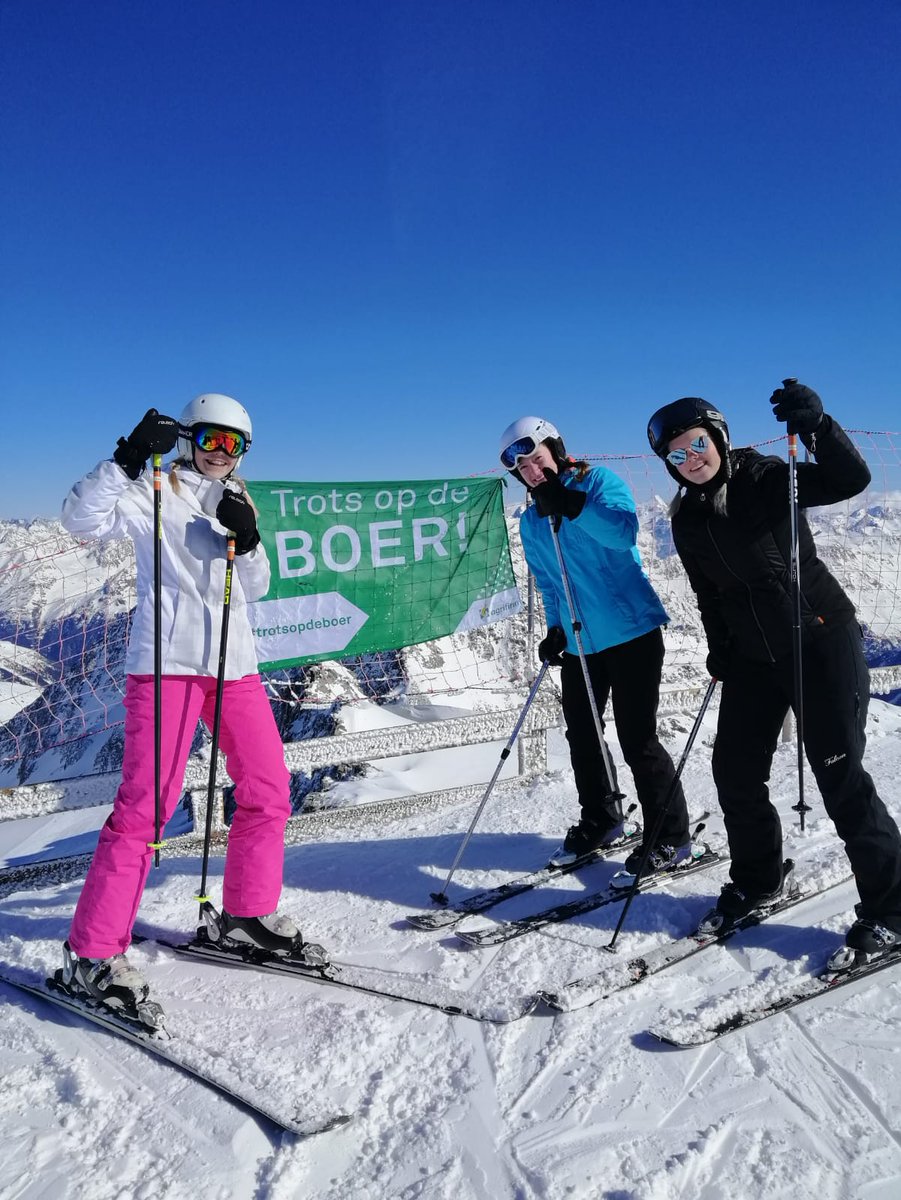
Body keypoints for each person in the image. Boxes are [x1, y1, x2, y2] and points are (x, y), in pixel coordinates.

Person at [59, 393, 315, 1015]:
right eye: (210, 439)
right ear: (188, 438)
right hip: (165, 668)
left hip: (236, 669)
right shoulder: (155, 491)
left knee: (268, 788)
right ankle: (92, 953)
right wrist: (126, 457)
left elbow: (254, 587)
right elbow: (80, 519)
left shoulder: (238, 500)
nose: (220, 453)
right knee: (146, 810)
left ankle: (246, 913)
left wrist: (247, 540)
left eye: (233, 444)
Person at [646, 381, 901, 970]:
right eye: (677, 456)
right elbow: (708, 594)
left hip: (817, 638)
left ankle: (890, 908)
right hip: (753, 656)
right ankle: (759, 878)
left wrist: (818, 426)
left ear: (719, 438)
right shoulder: (686, 517)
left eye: (697, 445)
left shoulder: (766, 478)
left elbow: (848, 481)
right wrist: (719, 647)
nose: (691, 460)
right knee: (734, 770)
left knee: (839, 776)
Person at [499, 416, 694, 878]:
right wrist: (555, 629)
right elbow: (549, 582)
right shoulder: (531, 520)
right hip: (581, 643)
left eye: (535, 456)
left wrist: (569, 504)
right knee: (582, 734)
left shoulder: (598, 482)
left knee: (637, 738)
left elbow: (623, 532)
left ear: (555, 447)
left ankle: (669, 836)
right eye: (520, 466)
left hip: (631, 634)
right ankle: (603, 817)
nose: (530, 469)